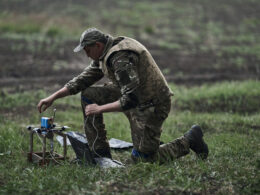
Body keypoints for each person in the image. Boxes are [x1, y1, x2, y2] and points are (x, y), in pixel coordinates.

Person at [37, 27, 208, 163]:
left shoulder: (120, 58)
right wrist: (52, 97)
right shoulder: (105, 53)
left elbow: (130, 99)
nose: (87, 55)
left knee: (143, 160)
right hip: (134, 98)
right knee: (89, 93)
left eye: (87, 50)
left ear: (97, 45)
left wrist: (99, 109)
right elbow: (82, 80)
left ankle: (189, 140)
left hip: (152, 104)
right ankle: (99, 153)